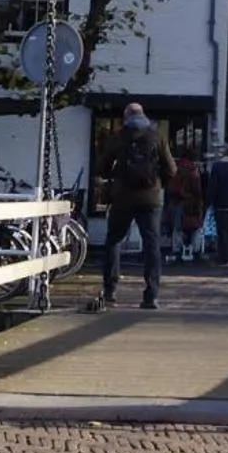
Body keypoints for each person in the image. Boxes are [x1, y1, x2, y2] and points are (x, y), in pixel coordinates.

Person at [95, 103, 175, 310]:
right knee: (151, 245)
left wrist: (114, 178)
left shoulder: (119, 137)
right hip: (150, 199)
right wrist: (158, 185)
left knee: (113, 240)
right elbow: (171, 169)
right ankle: (151, 296)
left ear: (126, 117)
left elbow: (102, 168)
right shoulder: (156, 137)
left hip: (122, 197)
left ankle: (110, 290)